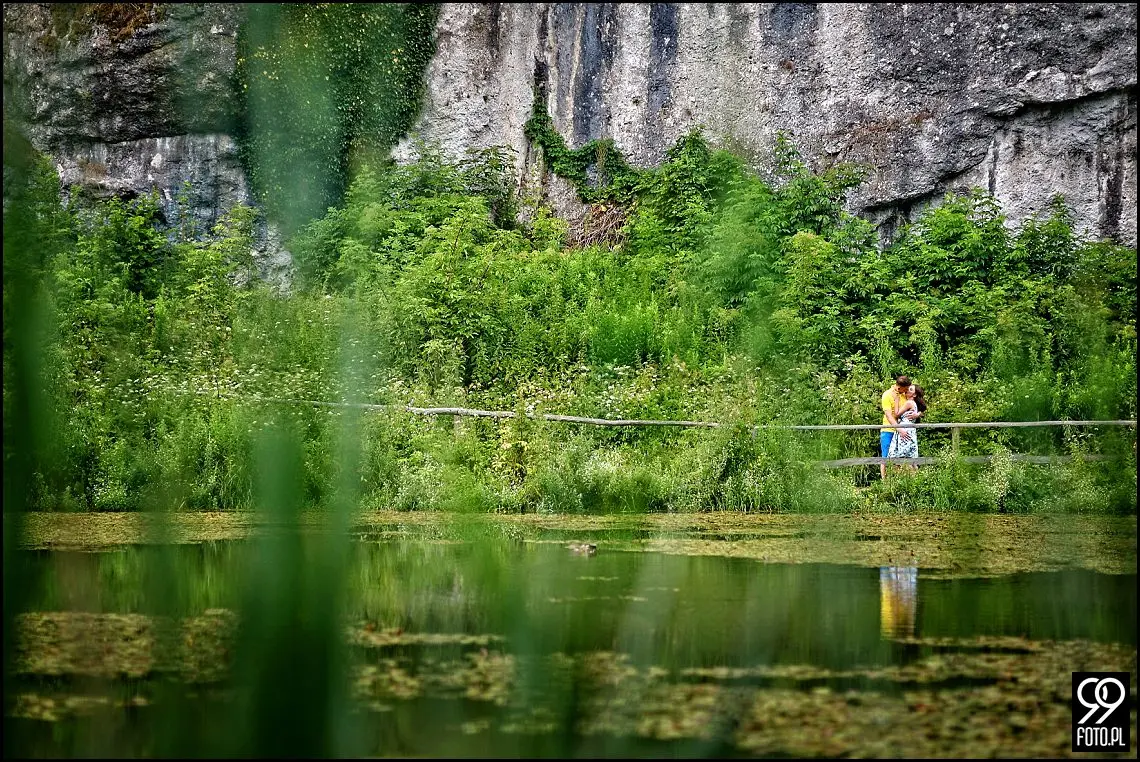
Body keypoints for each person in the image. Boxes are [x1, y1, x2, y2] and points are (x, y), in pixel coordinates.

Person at [887, 384, 927, 469]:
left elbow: (896, 414)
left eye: (911, 389)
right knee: (910, 458)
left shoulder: (909, 403)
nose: (908, 390)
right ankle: (916, 475)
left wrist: (896, 400)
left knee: (904, 458)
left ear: (914, 394)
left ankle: (909, 475)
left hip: (905, 430)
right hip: (910, 430)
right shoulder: (914, 403)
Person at [879, 375, 911, 479]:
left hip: (903, 430)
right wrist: (898, 429)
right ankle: (884, 481)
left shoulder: (905, 395)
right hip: (889, 429)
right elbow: (889, 415)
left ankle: (898, 479)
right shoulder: (887, 395)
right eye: (905, 389)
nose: (906, 390)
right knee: (886, 456)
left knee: (900, 456)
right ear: (899, 387)